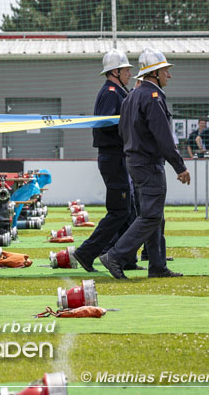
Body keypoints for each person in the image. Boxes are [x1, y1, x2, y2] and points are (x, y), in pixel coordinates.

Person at [99, 48, 190, 280]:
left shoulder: (131, 96)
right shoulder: (153, 97)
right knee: (150, 217)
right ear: (155, 73)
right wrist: (179, 166)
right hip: (149, 164)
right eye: (165, 71)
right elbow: (164, 137)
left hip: (134, 162)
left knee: (152, 215)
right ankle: (116, 255)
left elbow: (122, 130)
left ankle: (157, 265)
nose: (168, 76)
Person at [72, 49, 141, 273]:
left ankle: (124, 256)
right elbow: (109, 125)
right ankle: (87, 252)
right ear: (116, 71)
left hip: (116, 157)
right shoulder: (112, 93)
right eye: (127, 69)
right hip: (114, 157)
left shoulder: (117, 91)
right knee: (119, 211)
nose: (130, 73)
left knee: (127, 209)